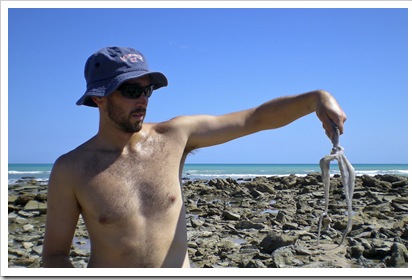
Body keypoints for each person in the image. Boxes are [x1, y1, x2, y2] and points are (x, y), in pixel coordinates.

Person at [42, 46, 347, 268]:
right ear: (99, 96)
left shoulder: (174, 137)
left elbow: (254, 118)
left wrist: (314, 99)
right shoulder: (71, 169)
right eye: (131, 91)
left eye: (148, 90)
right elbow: (55, 255)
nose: (144, 100)